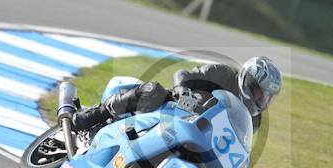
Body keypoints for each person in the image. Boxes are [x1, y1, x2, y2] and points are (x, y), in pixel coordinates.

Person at [72, 56, 282, 133]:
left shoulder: (254, 120)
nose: (260, 99)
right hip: (177, 109)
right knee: (154, 90)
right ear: (247, 80)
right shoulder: (223, 73)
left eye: (265, 96)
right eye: (258, 92)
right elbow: (185, 74)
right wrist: (183, 91)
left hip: (200, 134)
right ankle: (94, 115)